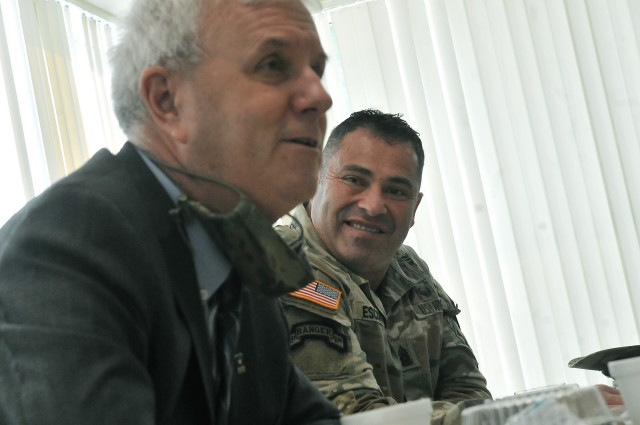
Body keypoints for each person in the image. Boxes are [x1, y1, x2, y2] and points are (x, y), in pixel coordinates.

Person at [0, 0, 340, 424]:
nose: (321, 97)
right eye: (273, 65)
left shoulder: (242, 261)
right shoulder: (69, 240)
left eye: (317, 70)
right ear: (167, 101)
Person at [278, 109, 492, 424]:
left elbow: (468, 392)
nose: (373, 205)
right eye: (354, 180)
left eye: (396, 191)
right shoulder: (286, 266)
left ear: (415, 207)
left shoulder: (408, 267)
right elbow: (356, 416)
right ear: (313, 180)